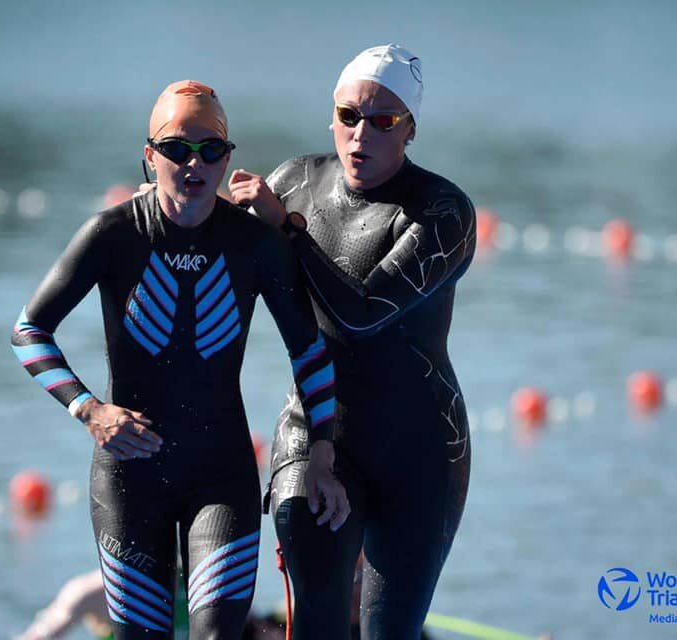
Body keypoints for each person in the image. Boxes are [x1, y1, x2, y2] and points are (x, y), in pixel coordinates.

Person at [11, 80, 349, 640]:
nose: (193, 163)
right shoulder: (112, 234)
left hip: (222, 477)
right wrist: (91, 411)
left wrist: (321, 452)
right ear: (150, 156)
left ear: (226, 160)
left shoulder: (254, 245)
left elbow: (309, 352)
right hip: (129, 480)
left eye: (210, 150)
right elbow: (29, 332)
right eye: (175, 149)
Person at [227, 44, 476, 639]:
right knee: (316, 625)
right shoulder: (296, 181)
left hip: (418, 451)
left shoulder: (443, 211)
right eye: (348, 116)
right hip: (312, 431)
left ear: (410, 129)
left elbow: (362, 312)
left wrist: (285, 228)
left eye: (383, 121)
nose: (361, 133)